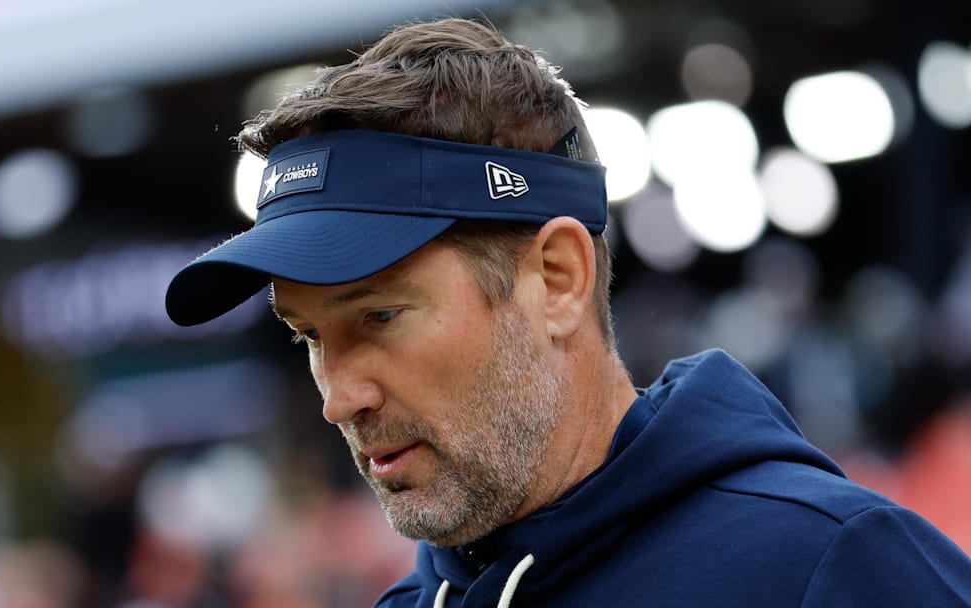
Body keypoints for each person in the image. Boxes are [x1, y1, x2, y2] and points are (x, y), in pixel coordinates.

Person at [164, 17, 971, 608]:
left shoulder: (830, 567)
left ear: (556, 277)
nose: (339, 398)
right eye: (309, 336)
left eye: (376, 317)